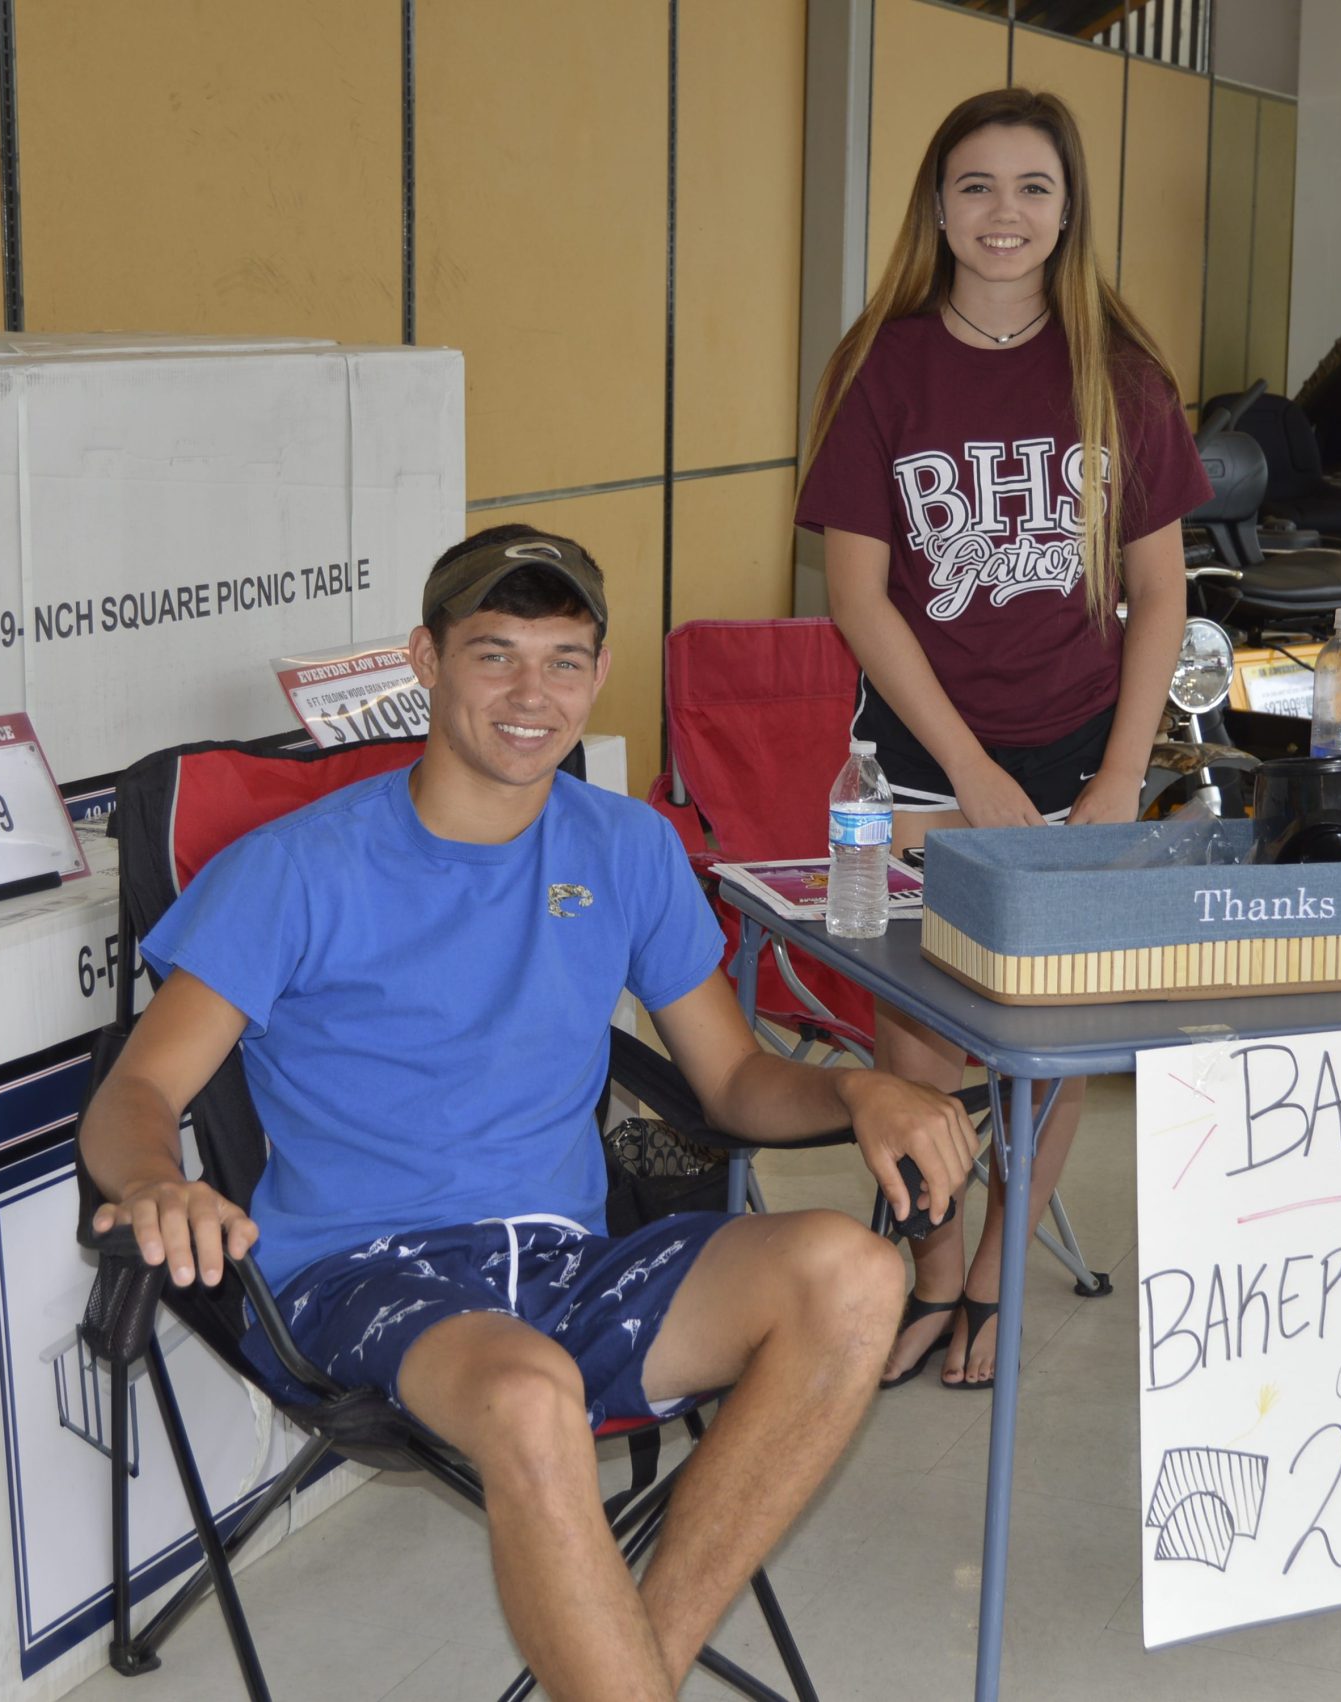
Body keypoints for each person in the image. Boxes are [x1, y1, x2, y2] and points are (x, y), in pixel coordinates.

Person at [79, 524, 981, 1701]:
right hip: (363, 1274)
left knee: (857, 1275)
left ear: (598, 676)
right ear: (426, 659)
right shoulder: (298, 865)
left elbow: (731, 1083)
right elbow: (137, 1092)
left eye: (563, 659)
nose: (530, 693)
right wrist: (154, 1178)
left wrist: (859, 1084)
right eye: (494, 653)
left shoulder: (625, 847)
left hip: (565, 1261)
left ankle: (629, 1672)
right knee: (525, 1395)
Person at [795, 88, 1211, 1391]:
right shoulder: (883, 367)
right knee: (918, 1035)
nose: (1004, 213)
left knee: (1054, 1035)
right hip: (921, 756)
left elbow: (1165, 596)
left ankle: (995, 1271)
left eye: (1033, 185)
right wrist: (966, 772)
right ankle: (927, 1266)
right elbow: (856, 595)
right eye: (976, 185)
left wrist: (1120, 778)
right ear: (937, 206)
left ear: (1068, 207)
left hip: (1082, 753)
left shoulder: (1120, 374)